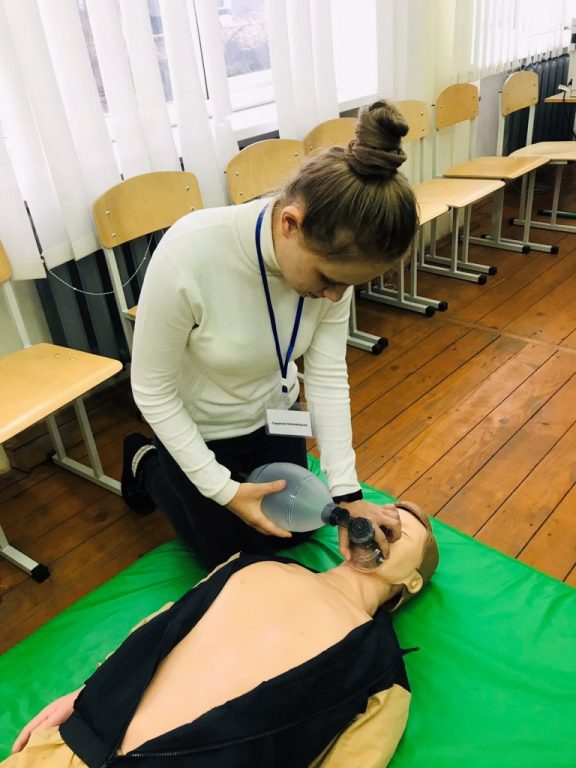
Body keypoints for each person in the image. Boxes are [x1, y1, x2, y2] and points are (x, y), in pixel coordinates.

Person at [121, 99, 419, 571]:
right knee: (235, 561)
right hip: (203, 430)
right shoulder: (189, 253)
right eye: (328, 280)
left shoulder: (332, 272)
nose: (335, 297)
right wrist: (224, 490)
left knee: (295, 533)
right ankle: (145, 462)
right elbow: (152, 391)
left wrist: (348, 493)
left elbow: (326, 376)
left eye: (349, 285)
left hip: (278, 416)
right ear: (290, 224)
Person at [7, 501, 439, 768]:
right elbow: (164, 623)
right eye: (381, 513)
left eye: (399, 527)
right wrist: (86, 692)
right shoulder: (251, 563)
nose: (381, 523)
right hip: (71, 745)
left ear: (414, 580)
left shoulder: (382, 674)